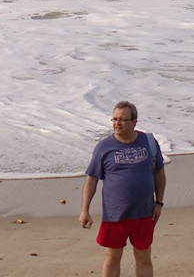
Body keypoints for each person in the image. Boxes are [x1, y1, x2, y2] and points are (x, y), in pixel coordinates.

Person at [79, 100, 166, 277]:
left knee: (144, 258)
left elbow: (159, 173)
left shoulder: (149, 142)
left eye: (122, 119)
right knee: (112, 258)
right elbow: (92, 180)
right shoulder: (104, 147)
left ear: (134, 122)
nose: (117, 123)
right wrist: (84, 210)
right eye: (115, 119)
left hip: (144, 212)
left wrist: (159, 203)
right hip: (115, 215)